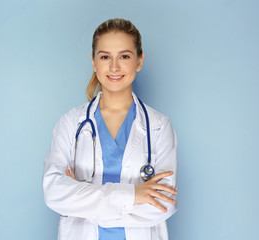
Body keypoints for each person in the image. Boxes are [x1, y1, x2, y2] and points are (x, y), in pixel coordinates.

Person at [43, 18, 178, 240]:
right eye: (105, 57)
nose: (114, 67)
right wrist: (134, 195)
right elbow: (54, 192)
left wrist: (81, 202)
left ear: (139, 61)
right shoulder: (70, 123)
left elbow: (161, 205)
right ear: (94, 62)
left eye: (124, 56)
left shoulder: (159, 127)